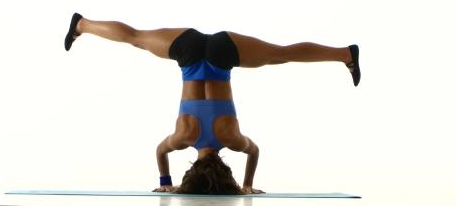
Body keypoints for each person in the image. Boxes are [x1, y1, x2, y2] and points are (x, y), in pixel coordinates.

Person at [64, 13, 361, 194]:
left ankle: (345, 54)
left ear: (225, 169)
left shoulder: (231, 139)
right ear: (189, 171)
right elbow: (159, 151)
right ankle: (82, 24)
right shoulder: (183, 138)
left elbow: (254, 152)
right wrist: (165, 181)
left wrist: (247, 184)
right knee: (136, 38)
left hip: (223, 52)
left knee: (281, 54)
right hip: (189, 51)